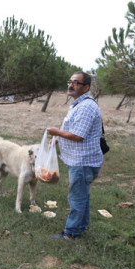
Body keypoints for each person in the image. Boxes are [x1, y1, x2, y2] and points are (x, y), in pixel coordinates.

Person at [46, 71, 103, 240]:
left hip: (83, 161)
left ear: (86, 88)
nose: (71, 85)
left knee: (76, 197)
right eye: (70, 82)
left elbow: (78, 135)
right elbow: (72, 128)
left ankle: (71, 233)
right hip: (79, 159)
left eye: (76, 83)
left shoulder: (86, 107)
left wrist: (56, 132)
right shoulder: (78, 104)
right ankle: (80, 227)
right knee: (82, 195)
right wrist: (58, 139)